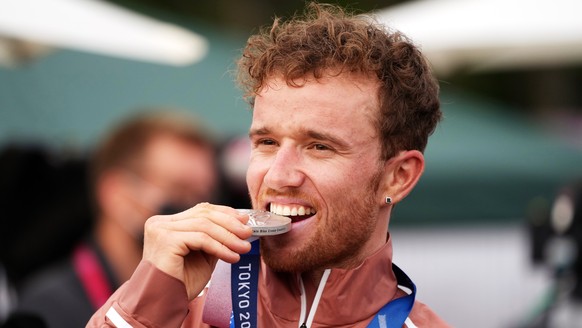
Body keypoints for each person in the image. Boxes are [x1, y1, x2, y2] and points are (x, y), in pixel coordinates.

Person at [88, 3, 450, 327]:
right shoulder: (176, 309)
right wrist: (144, 306)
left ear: (397, 177)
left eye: (319, 146)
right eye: (266, 143)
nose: (278, 175)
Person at [12, 109, 220, 328]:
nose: (199, 209)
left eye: (205, 195)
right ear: (116, 194)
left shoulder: (202, 299)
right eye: (180, 190)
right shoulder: (48, 309)